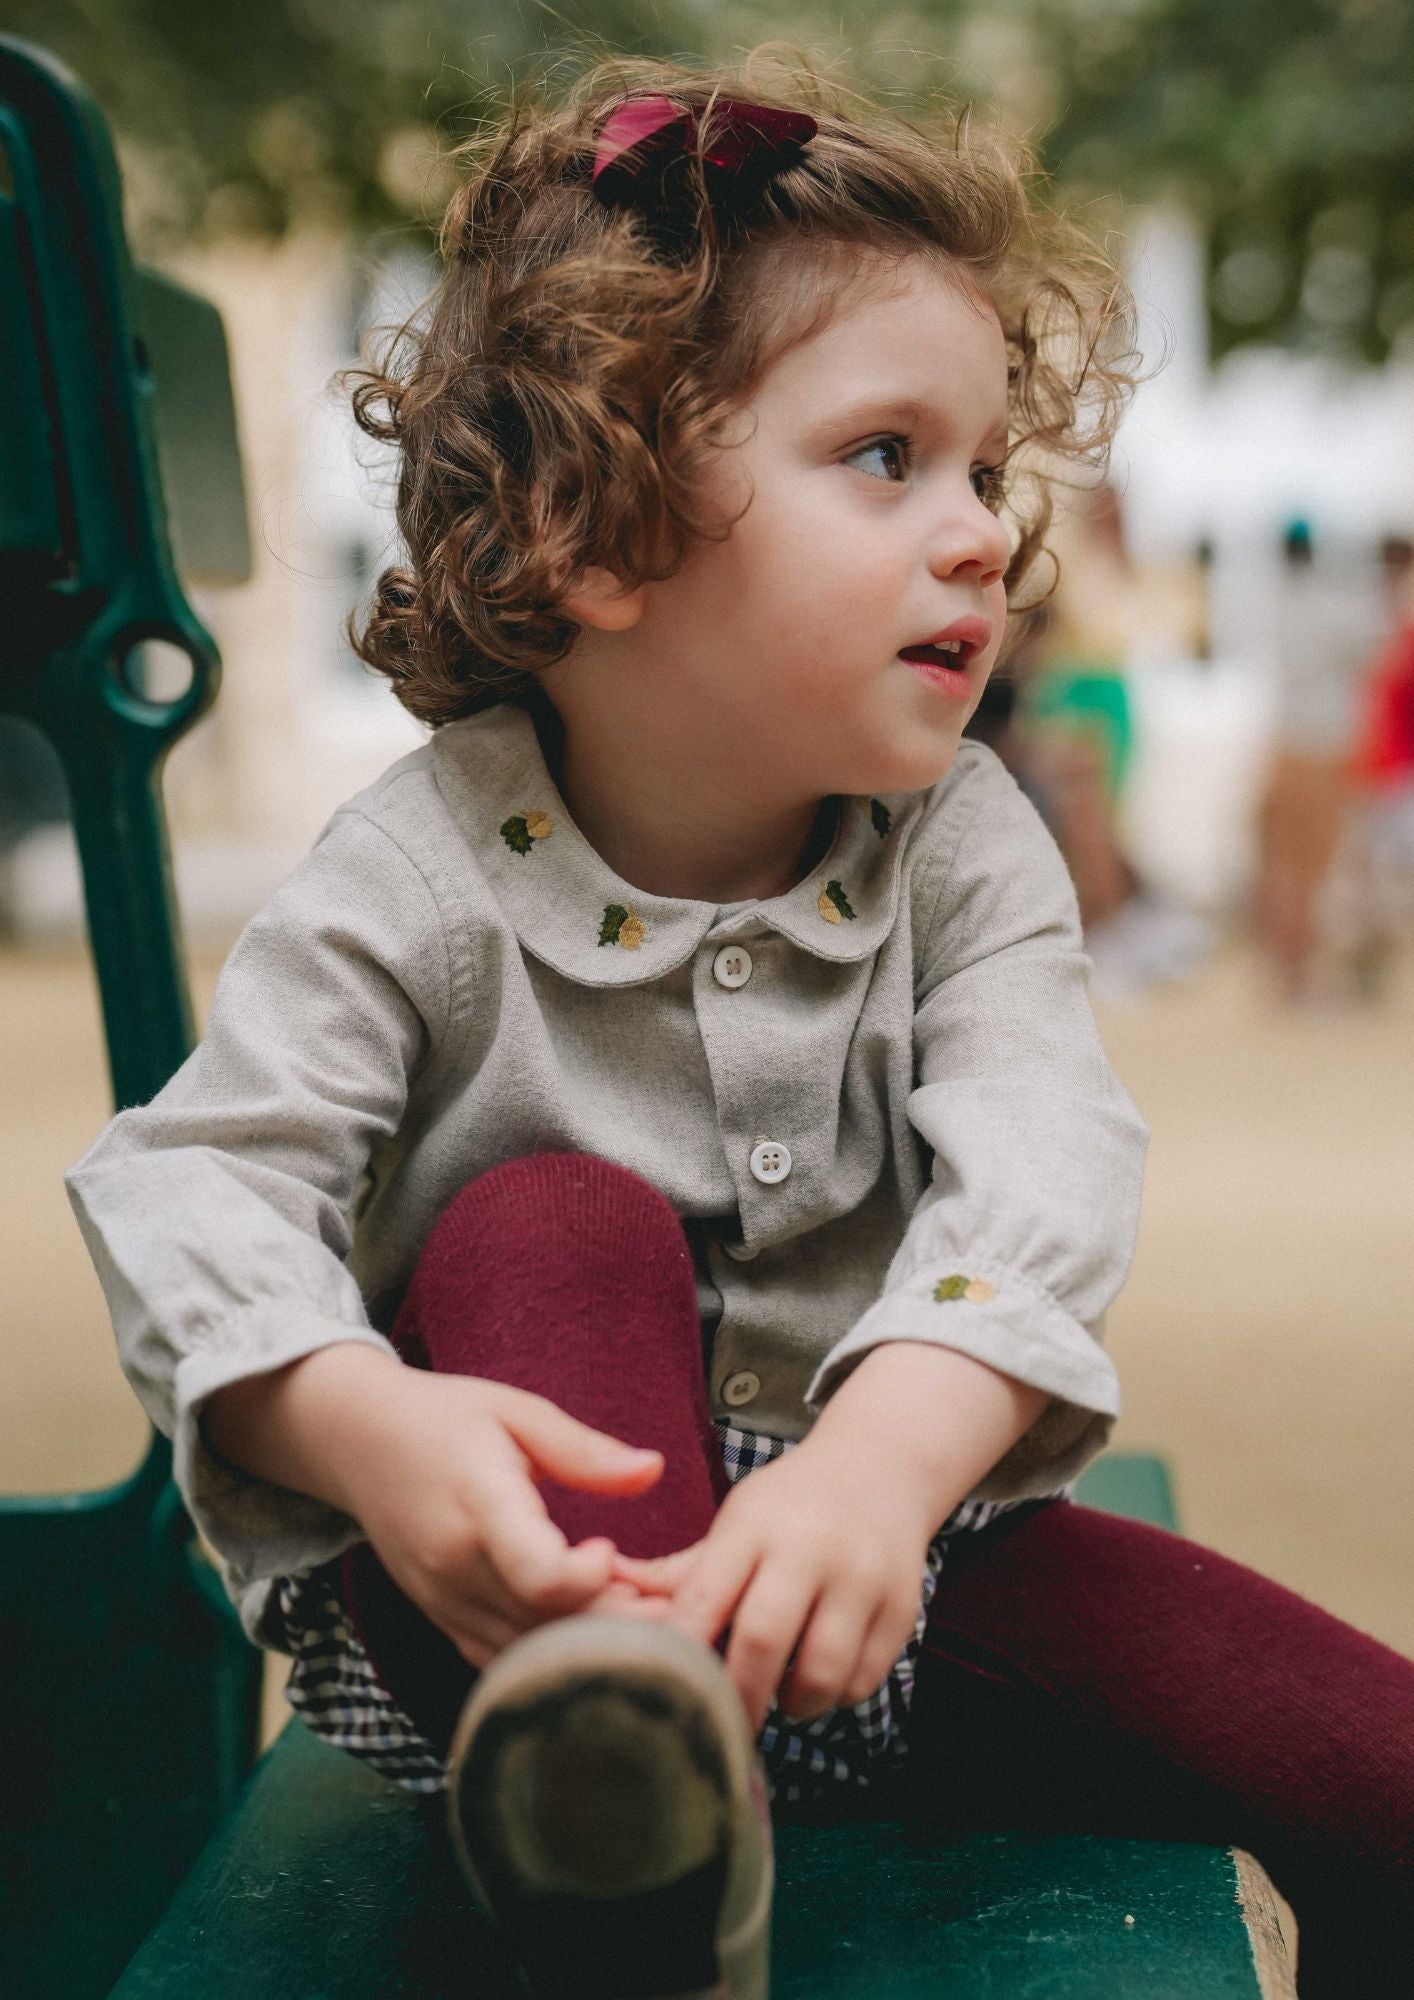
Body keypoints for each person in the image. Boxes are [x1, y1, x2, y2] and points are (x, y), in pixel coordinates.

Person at [66, 55, 1412, 2000]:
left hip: (894, 1582)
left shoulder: (958, 846)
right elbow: (197, 1185)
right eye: (884, 456)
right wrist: (368, 1429)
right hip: (526, 1626)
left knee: (1368, 1760)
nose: (976, 534)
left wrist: (879, 1467)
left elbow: (1042, 1155)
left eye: (979, 467)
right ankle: (629, 1808)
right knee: (542, 1215)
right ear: (592, 533)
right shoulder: (415, 877)